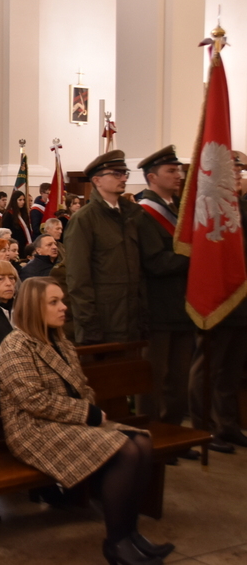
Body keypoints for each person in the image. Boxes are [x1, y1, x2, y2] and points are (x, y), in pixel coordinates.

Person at [0, 277, 171, 565]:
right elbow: (33, 401)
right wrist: (85, 413)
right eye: (54, 302)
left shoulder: (60, 340)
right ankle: (116, 544)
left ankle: (131, 533)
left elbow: (82, 385)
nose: (64, 307)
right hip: (31, 429)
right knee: (125, 451)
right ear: (33, 307)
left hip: (66, 421)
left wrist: (87, 407)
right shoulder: (15, 346)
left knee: (142, 442)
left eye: (62, 300)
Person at [131, 146, 196, 440]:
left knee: (179, 379)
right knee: (154, 379)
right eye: (171, 171)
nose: (178, 175)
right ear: (152, 177)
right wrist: (196, 257)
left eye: (179, 170)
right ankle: (153, 435)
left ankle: (173, 435)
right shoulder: (145, 213)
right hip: (157, 306)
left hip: (185, 304)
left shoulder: (181, 207)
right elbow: (154, 262)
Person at [189, 150, 247, 454]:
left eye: (241, 169)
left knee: (232, 370)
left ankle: (227, 424)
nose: (238, 173)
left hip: (242, 300)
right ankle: (205, 428)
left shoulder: (242, 205)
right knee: (209, 366)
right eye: (234, 168)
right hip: (216, 297)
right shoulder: (210, 205)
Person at [64, 151, 145, 345]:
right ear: (97, 180)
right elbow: (78, 279)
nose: (124, 178)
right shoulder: (85, 219)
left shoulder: (132, 215)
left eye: (125, 173)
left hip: (134, 321)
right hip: (104, 324)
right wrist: (89, 324)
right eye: (117, 173)